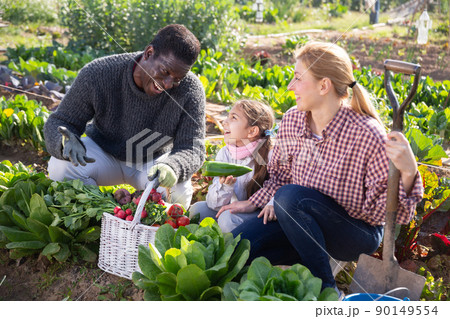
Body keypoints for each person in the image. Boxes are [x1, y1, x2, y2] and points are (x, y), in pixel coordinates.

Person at [219, 41, 424, 291]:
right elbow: (281, 177)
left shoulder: (366, 133)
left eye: (297, 78)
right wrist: (252, 203)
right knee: (239, 249)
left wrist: (409, 171)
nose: (290, 86)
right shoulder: (294, 119)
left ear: (324, 85)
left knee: (290, 198)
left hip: (353, 232)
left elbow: (387, 213)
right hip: (298, 223)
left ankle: (327, 290)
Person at [43, 24, 206, 209]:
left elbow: (193, 147)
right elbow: (60, 121)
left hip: (152, 163)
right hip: (104, 153)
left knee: (178, 192)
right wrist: (65, 142)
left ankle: (141, 223)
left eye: (177, 79)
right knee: (60, 168)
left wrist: (173, 166)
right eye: (165, 72)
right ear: (149, 53)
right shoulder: (99, 73)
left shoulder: (191, 90)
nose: (168, 84)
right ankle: (105, 210)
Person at [190, 99, 275, 232]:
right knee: (198, 210)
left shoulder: (270, 155)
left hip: (261, 216)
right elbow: (214, 205)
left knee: (227, 219)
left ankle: (240, 247)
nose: (224, 122)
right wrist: (225, 187)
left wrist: (268, 204)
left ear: (252, 131)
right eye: (227, 117)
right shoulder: (225, 153)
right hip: (236, 210)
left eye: (233, 118)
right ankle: (220, 239)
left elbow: (280, 187)